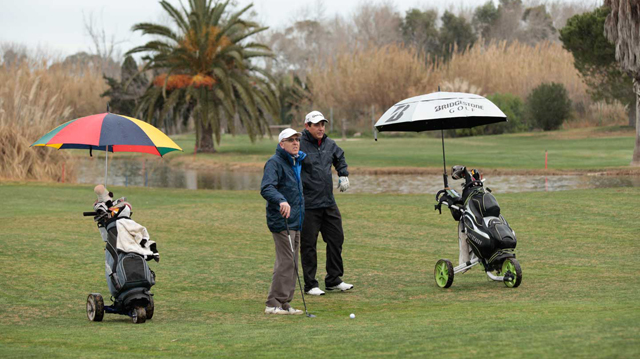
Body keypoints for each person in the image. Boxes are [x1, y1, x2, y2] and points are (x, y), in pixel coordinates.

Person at [299, 110, 353, 296]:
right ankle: (310, 284)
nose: (321, 128)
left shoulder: (330, 144)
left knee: (336, 239)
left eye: (323, 124)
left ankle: (333, 279)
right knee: (309, 245)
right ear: (307, 126)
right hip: (307, 204)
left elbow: (340, 157)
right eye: (317, 125)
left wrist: (343, 173)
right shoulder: (300, 144)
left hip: (328, 202)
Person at [260, 128, 307, 315]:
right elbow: (267, 187)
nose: (295, 142)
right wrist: (281, 200)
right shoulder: (275, 162)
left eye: (297, 139)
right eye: (291, 140)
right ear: (282, 144)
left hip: (296, 219)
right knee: (286, 261)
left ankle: (285, 302)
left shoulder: (295, 162)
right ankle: (273, 303)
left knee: (293, 261)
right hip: (281, 220)